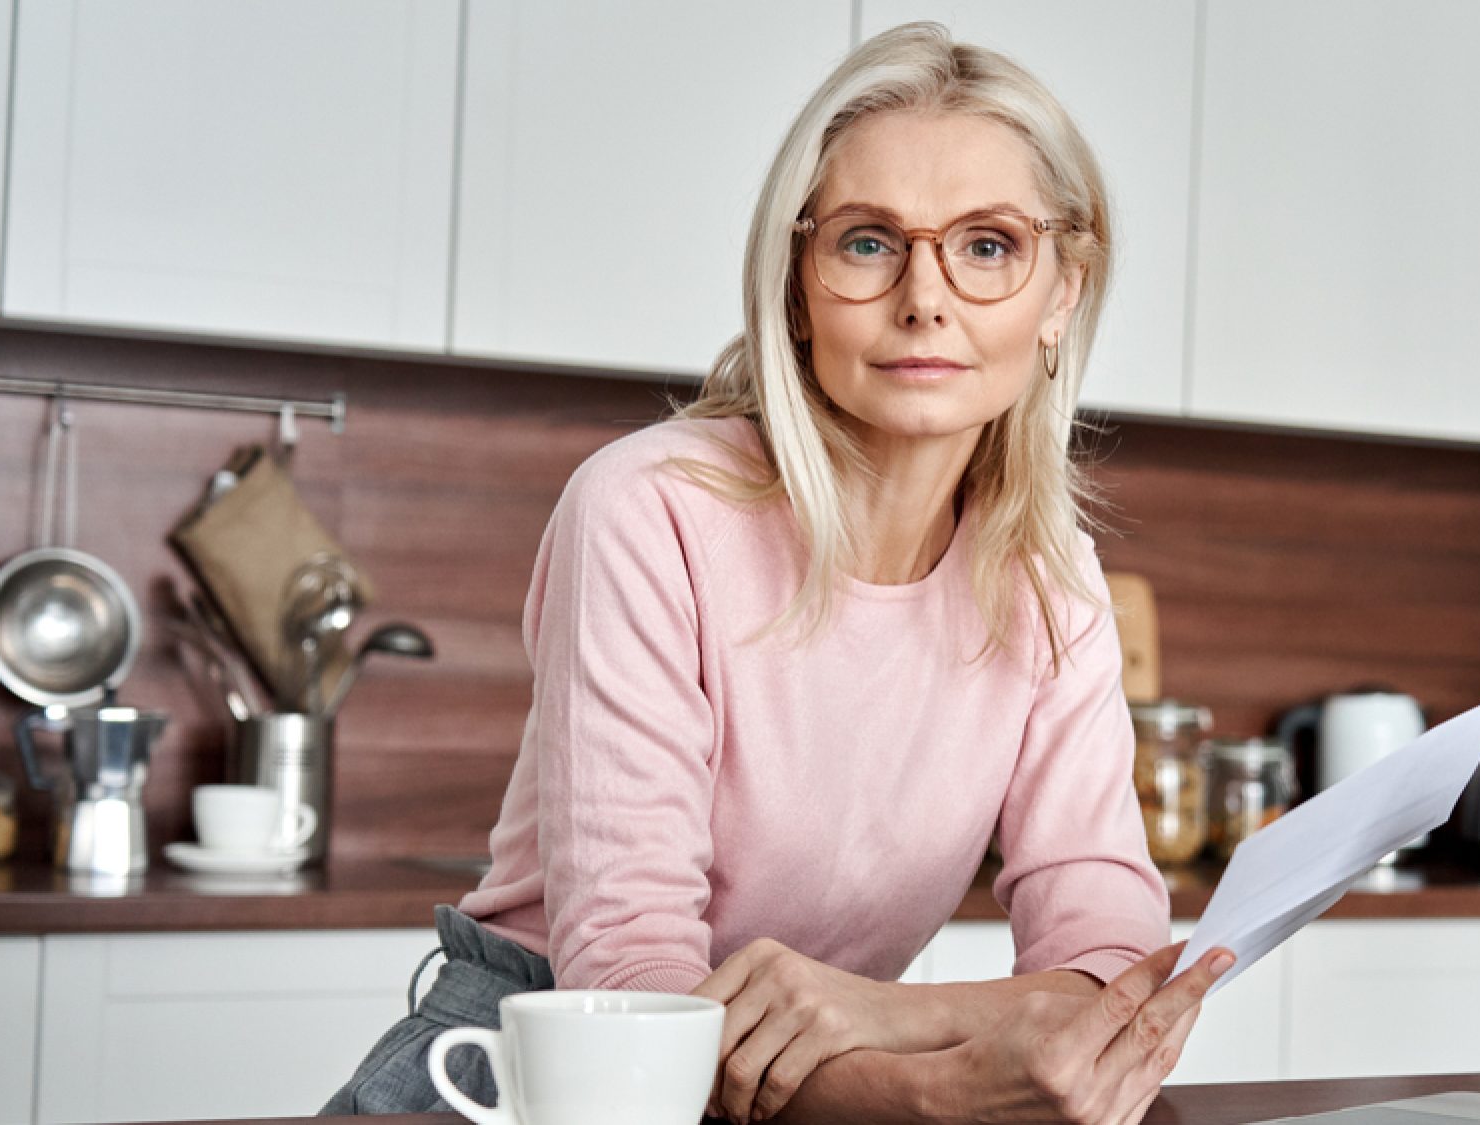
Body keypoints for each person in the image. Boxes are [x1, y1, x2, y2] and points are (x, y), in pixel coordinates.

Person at [320, 22, 1232, 1123]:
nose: (924, 298)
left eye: (987, 245)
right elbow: (631, 983)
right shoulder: (647, 509)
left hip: (820, 1091)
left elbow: (1116, 980)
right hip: (530, 1080)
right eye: (865, 242)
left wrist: (874, 1015)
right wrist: (931, 1093)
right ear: (795, 284)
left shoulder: (1054, 585)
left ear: (1061, 294)